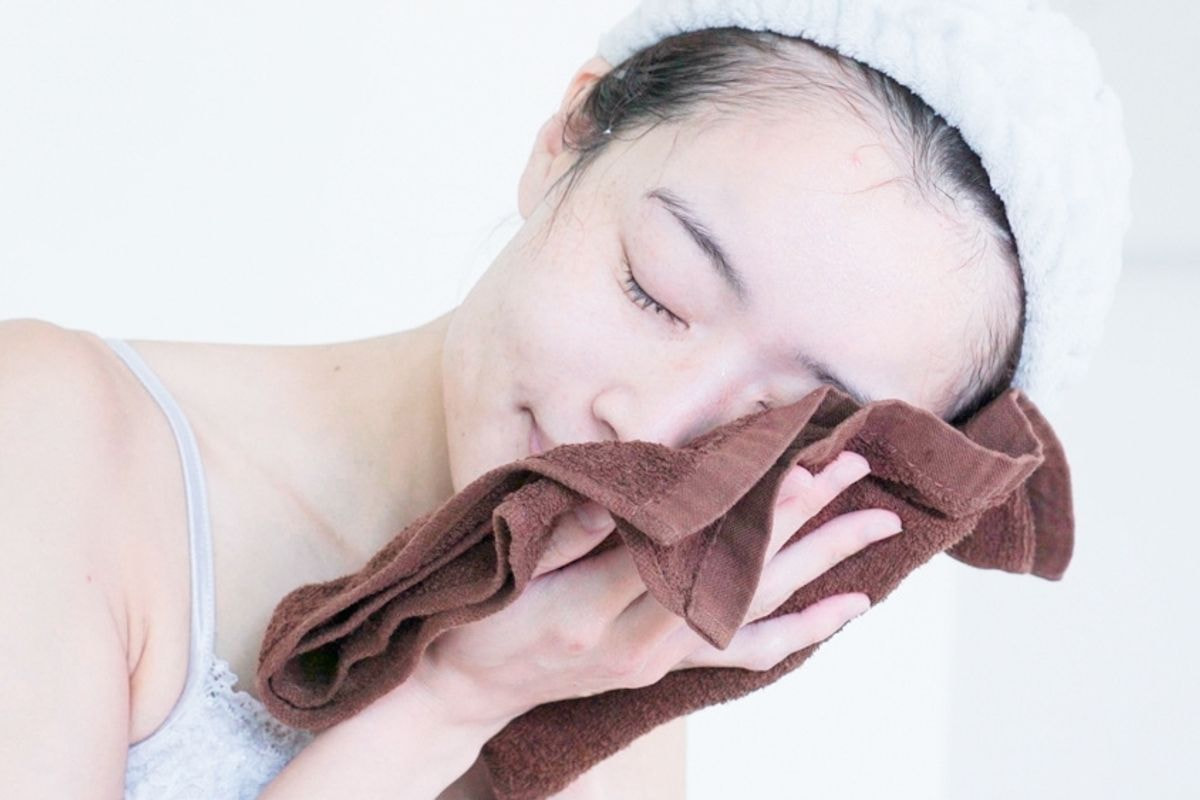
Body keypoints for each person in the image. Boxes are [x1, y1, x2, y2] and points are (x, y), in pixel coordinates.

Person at [1, 6, 1130, 799]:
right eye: (657, 289)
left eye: (778, 426)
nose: (651, 425)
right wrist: (446, 701)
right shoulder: (53, 435)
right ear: (568, 137)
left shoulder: (609, 670)